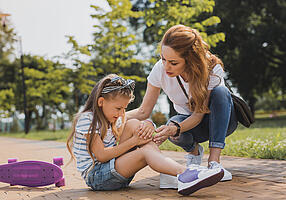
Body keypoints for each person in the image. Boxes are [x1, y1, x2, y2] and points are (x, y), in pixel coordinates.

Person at [66, 74, 224, 195]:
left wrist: (148, 125)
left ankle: (171, 172)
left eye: (124, 109)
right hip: (97, 177)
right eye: (118, 108)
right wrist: (135, 141)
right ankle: (183, 173)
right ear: (101, 102)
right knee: (144, 150)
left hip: (115, 170)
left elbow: (136, 124)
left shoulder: (112, 118)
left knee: (135, 124)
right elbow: (101, 156)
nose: (122, 113)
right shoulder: (88, 119)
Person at [126, 25, 238, 188]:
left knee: (221, 92)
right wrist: (108, 116)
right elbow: (144, 111)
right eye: (163, 59)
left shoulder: (212, 68)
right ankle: (193, 155)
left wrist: (175, 128)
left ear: (191, 60)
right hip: (189, 123)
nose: (166, 67)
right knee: (173, 126)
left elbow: (198, 116)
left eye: (173, 62)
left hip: (220, 121)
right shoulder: (160, 69)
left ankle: (214, 163)